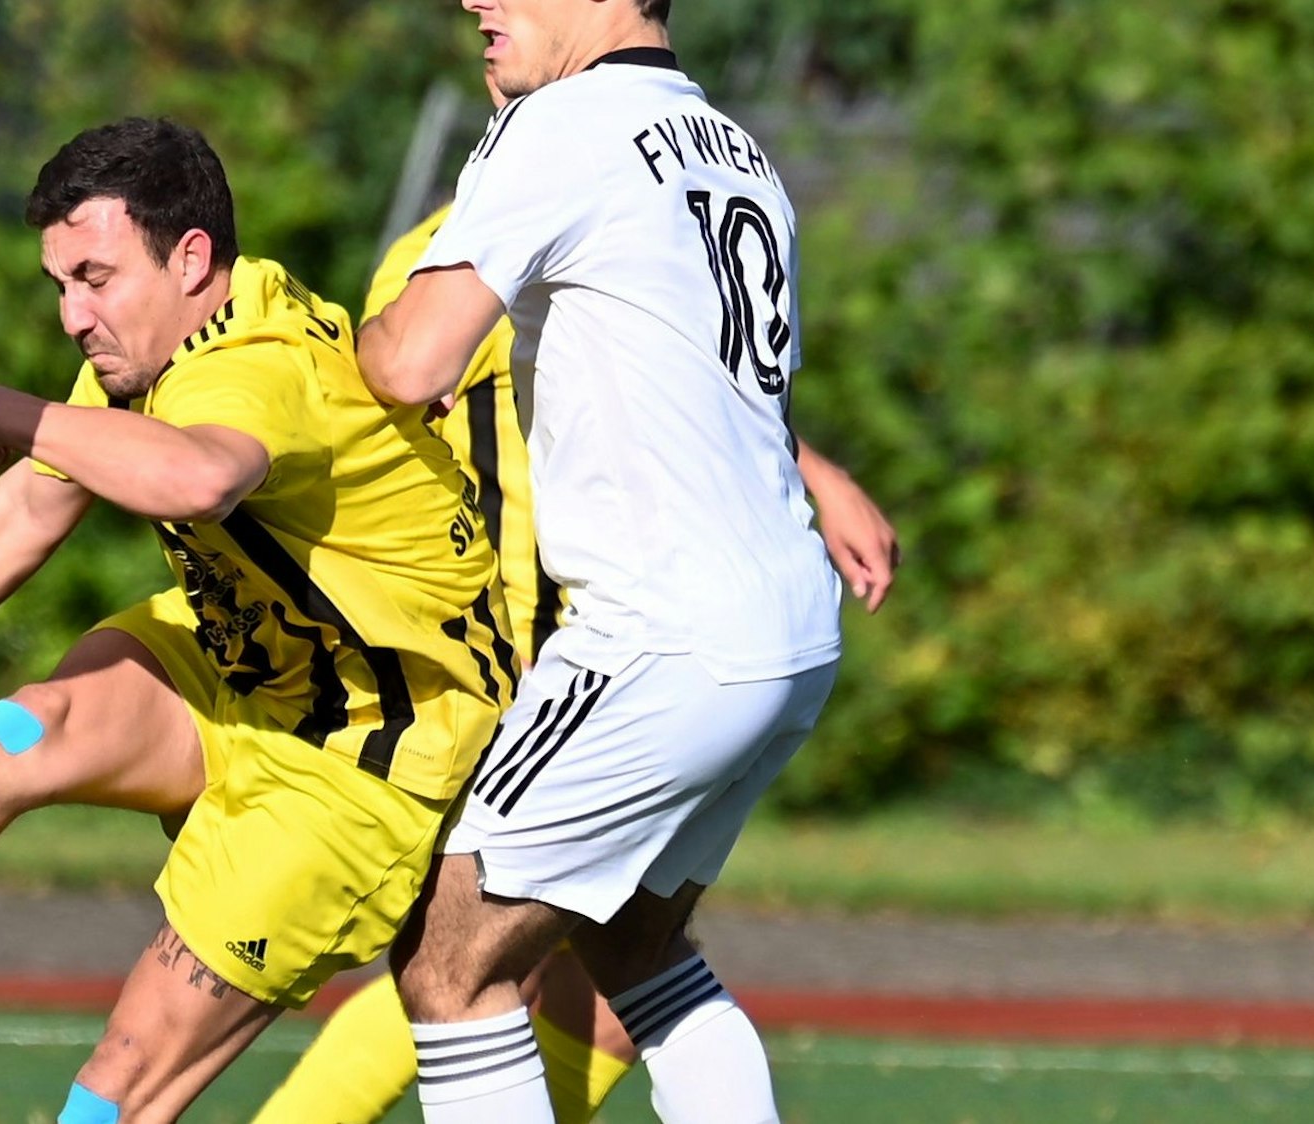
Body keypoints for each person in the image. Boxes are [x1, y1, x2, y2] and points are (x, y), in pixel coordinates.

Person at [0, 116, 514, 1124]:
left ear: (191, 258)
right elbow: (33, 501)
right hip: (247, 660)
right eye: (59, 283)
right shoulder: (160, 341)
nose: (72, 314)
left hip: (365, 751)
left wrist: (3, 407)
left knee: (124, 1080)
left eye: (94, 278)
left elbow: (197, 476)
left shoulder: (256, 360)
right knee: (27, 726)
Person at [257, 190, 898, 1123]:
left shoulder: (607, 196)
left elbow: (677, 385)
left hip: (616, 649)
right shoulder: (470, 243)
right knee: (504, 953)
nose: (488, 35)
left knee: (500, 958)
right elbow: (384, 399)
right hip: (521, 651)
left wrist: (812, 467)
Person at [354, 0, 854, 1119]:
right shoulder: (733, 145)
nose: (476, 0)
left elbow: (409, 359)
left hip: (659, 634)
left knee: (452, 964)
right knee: (636, 944)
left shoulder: (564, 123)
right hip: (788, 626)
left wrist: (316, 346)